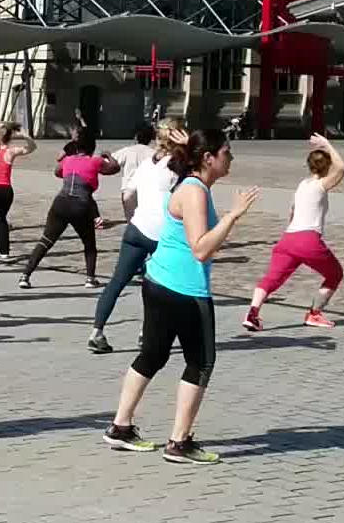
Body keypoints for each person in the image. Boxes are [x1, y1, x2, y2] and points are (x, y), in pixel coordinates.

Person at [103, 129, 258, 465]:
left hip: (160, 280)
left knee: (153, 355)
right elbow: (201, 248)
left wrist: (185, 141)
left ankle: (120, 428)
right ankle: (179, 442)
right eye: (226, 152)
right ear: (208, 158)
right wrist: (233, 215)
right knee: (201, 362)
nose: (231, 158)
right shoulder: (194, 191)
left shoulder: (188, 182)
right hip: (184, 289)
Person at [88, 120, 187, 354]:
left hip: (136, 229)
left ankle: (97, 331)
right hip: (162, 234)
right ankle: (147, 334)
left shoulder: (146, 164)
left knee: (117, 282)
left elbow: (128, 196)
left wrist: (134, 217)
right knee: (160, 288)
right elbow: (200, 170)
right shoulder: (177, 165)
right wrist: (189, 143)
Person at [244, 134, 344, 331]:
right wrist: (327, 144)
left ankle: (252, 313)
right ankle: (314, 314)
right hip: (308, 239)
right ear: (327, 167)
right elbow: (342, 167)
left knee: (271, 279)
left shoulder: (303, 185)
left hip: (288, 239)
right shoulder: (321, 185)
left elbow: (292, 212)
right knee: (335, 274)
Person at [19, 132, 118, 289]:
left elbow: (57, 172)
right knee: (89, 244)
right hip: (81, 205)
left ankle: (25, 275)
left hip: (60, 203)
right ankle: (90, 278)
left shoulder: (67, 160)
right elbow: (114, 168)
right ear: (92, 147)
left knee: (46, 241)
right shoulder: (95, 161)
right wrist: (109, 156)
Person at [0, 122, 35, 262]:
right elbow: (32, 147)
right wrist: (24, 134)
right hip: (6, 190)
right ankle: (4, 251)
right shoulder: (10, 151)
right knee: (1, 220)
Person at [110, 124, 157, 222]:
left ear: (136, 137)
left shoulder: (127, 151)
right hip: (148, 191)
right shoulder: (154, 153)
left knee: (131, 221)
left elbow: (111, 162)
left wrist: (106, 154)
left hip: (128, 191)